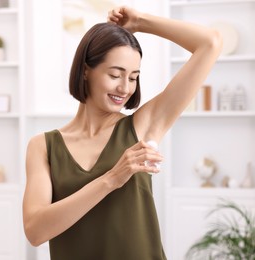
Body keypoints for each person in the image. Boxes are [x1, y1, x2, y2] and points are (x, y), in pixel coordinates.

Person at [22, 6, 222, 260]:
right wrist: (111, 179)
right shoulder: (43, 146)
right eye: (115, 74)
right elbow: (35, 230)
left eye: (133, 77)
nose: (124, 88)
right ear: (86, 70)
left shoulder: (142, 125)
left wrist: (139, 22)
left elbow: (210, 43)